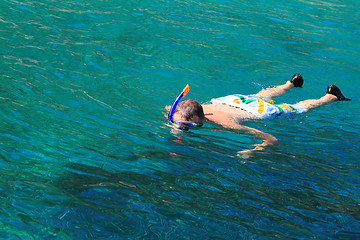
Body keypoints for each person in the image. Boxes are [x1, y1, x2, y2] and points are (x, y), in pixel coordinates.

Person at [166, 73, 351, 157]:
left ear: (203, 120)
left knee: (297, 108)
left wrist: (252, 151)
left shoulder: (227, 124)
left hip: (257, 111)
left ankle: (331, 97)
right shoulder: (176, 111)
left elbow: (270, 138)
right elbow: (172, 112)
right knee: (262, 95)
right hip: (232, 100)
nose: (181, 128)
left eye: (185, 127)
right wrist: (176, 130)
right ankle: (291, 84)